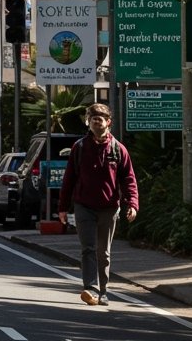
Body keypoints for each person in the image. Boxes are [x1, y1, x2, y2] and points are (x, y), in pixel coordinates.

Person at [58, 101, 139, 307]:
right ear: (89, 122)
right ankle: (90, 288)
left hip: (109, 207)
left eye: (100, 119)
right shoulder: (80, 147)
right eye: (93, 119)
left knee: (104, 251)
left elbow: (128, 179)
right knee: (88, 248)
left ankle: (104, 291)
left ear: (108, 122)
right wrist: (62, 207)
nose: (96, 122)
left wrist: (132, 203)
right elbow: (69, 179)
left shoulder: (118, 149)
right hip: (83, 205)